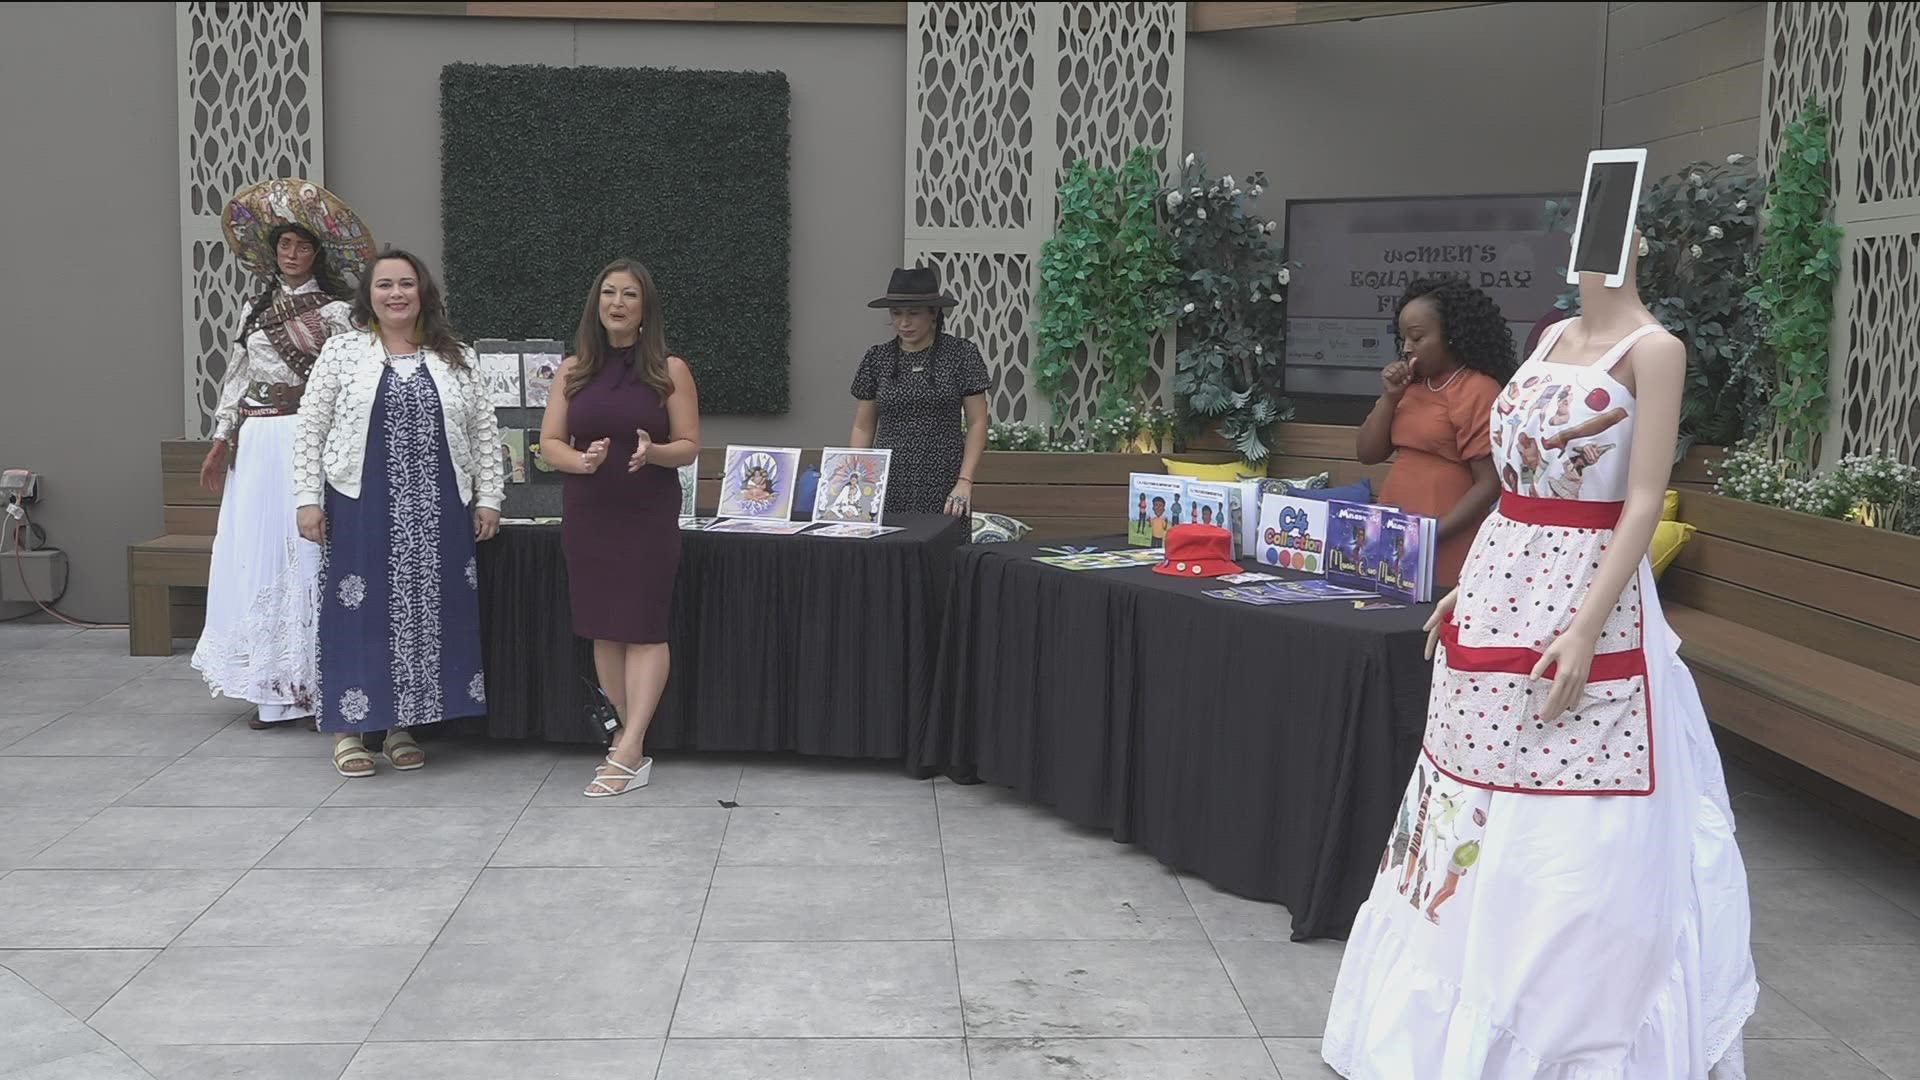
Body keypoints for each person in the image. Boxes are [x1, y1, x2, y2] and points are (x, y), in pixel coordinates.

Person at [1322, 232, 1755, 1078]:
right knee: (1463, 797)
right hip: (1500, 588)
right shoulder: (1551, 339)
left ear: (1633, 240)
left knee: (1573, 811)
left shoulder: (1655, 350)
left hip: (1585, 594)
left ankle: (1559, 1032)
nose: (1591, 244)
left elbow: (1640, 501)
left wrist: (1590, 626)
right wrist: (1470, 585)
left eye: (1610, 226)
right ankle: (1443, 1026)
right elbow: (1516, 491)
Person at [294, 249, 503, 777]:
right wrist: (307, 499)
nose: (396, 294)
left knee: (426, 615)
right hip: (361, 503)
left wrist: (488, 498)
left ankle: (399, 726)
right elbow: (310, 430)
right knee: (358, 611)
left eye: (406, 284)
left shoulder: (456, 355)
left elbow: (484, 431)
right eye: (384, 284)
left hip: (438, 506)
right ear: (369, 296)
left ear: (422, 292)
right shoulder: (342, 353)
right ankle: (349, 729)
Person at [192, 178, 372, 730]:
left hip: (306, 437)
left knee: (306, 552)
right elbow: (237, 374)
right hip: (259, 438)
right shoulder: (255, 308)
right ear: (273, 252)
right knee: (258, 550)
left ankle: (314, 682)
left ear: (318, 254)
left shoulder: (341, 312)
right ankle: (269, 680)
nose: (291, 255)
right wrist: (221, 437)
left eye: (302, 247)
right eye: (284, 246)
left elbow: (354, 379)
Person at [539, 259, 700, 797]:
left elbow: (689, 445)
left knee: (645, 627)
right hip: (589, 515)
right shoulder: (572, 369)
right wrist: (581, 462)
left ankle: (629, 748)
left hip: (647, 515)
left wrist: (653, 452)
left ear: (644, 307)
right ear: (596, 303)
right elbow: (551, 444)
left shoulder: (669, 369)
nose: (617, 303)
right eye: (608, 292)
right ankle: (629, 741)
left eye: (629, 294)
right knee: (604, 628)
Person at [1355, 276, 1516, 588]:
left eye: (1417, 338)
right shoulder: (1410, 387)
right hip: (1396, 534)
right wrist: (1390, 398)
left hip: (1446, 535)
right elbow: (1367, 453)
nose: (1407, 348)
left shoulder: (1477, 389)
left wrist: (1430, 534)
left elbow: (1489, 484)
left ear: (1452, 336)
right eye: (1403, 338)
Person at [848, 266, 990, 517]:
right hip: (888, 478)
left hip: (944, 477)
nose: (904, 323)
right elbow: (863, 427)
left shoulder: (962, 354)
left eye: (913, 313)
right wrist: (856, 477)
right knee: (888, 552)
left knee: (943, 552)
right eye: (896, 313)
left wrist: (965, 480)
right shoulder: (876, 358)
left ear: (934, 313)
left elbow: (978, 422)